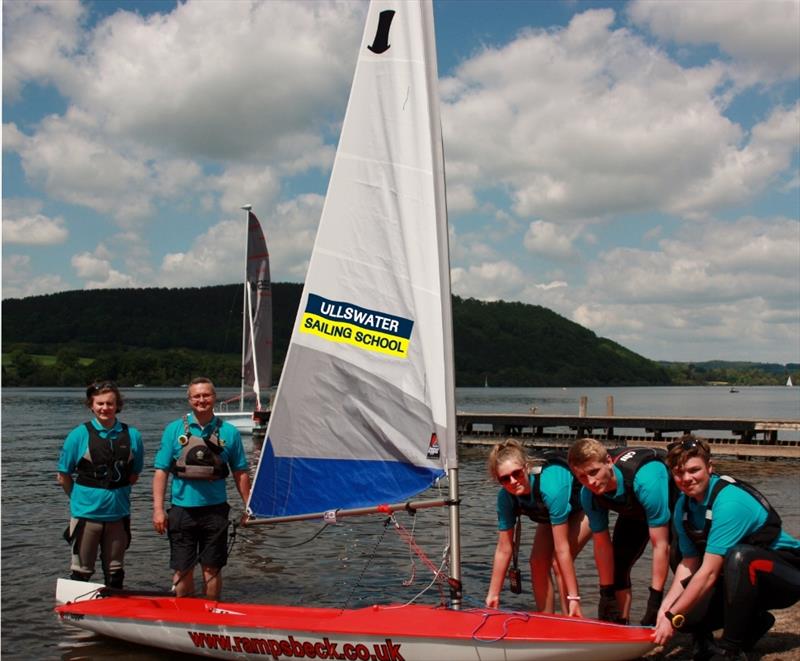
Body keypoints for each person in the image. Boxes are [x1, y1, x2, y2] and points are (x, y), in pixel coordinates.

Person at [653, 435, 800, 661]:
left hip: (786, 576)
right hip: (743, 579)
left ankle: (731, 651)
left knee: (740, 557)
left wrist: (673, 615)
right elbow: (688, 563)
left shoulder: (729, 502)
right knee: (684, 605)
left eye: (694, 470)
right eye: (679, 472)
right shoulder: (683, 506)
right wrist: (666, 610)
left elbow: (710, 572)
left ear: (710, 467)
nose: (686, 478)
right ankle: (747, 624)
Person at [152, 377, 251, 600]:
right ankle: (184, 619)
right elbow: (161, 471)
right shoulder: (173, 429)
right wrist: (158, 509)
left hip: (215, 512)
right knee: (182, 569)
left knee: (212, 569)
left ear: (214, 398)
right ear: (189, 400)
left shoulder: (230, 432)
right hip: (181, 511)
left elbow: (240, 473)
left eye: (206, 395)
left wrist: (249, 506)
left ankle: (211, 618)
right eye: (196, 396)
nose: (202, 400)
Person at [567, 437, 672, 625]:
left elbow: (660, 545)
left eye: (594, 472)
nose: (590, 481)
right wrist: (606, 593)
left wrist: (655, 601)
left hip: (671, 504)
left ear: (608, 462)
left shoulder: (646, 479)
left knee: (682, 561)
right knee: (618, 565)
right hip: (634, 509)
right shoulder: (588, 494)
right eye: (582, 477)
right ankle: (621, 623)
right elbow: (601, 544)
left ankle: (700, 635)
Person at [485, 439, 591, 615]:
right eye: (505, 478)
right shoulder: (505, 498)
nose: (513, 481)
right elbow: (504, 548)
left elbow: (562, 548)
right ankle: (545, 617)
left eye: (517, 473)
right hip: (551, 513)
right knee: (537, 562)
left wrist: (574, 598)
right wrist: (493, 595)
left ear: (526, 468)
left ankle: (572, 616)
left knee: (558, 561)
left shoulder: (550, 487)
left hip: (585, 507)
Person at [57, 381, 144, 588]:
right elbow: (63, 475)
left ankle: (114, 613)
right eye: (100, 404)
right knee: (82, 572)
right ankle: (75, 614)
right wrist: (78, 498)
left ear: (117, 405)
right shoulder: (79, 435)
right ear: (91, 405)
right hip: (86, 516)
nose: (105, 408)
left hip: (118, 516)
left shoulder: (132, 435)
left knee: (115, 573)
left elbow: (134, 474)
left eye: (110, 403)